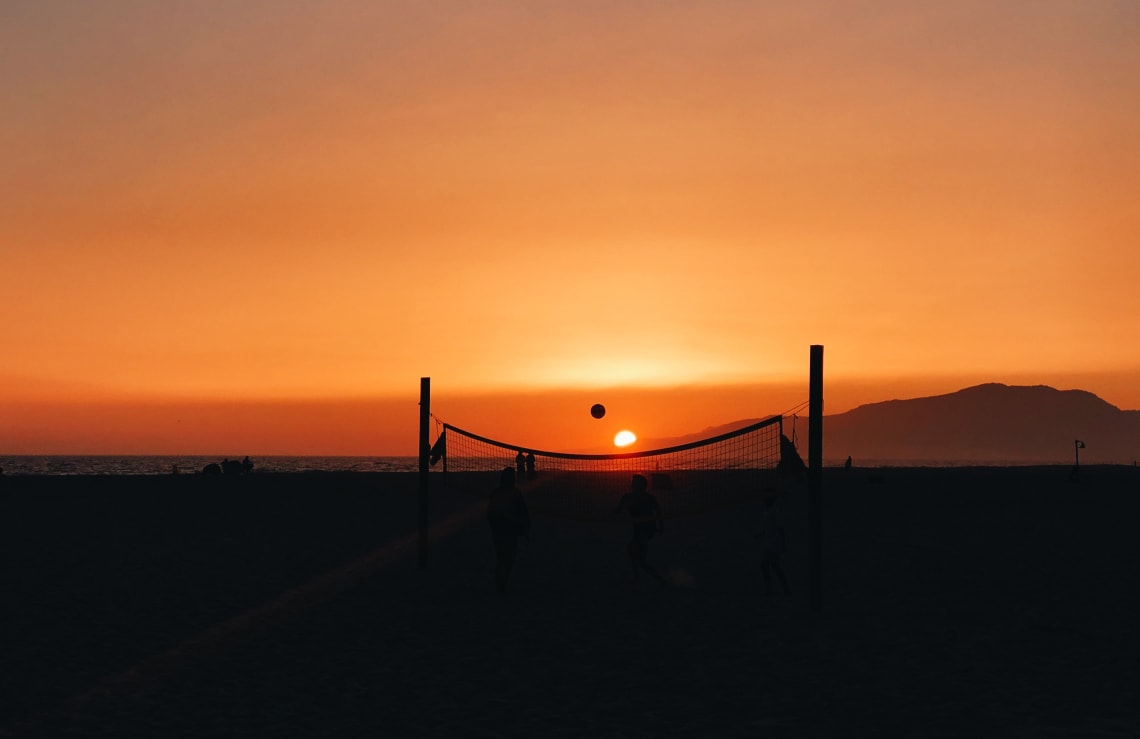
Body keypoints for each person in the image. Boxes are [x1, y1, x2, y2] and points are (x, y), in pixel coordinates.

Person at [614, 474, 667, 587]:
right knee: (635, 553)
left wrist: (661, 526)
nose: (631, 484)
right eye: (632, 483)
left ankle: (660, 580)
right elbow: (618, 509)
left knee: (637, 555)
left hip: (647, 530)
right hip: (641, 530)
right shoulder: (629, 497)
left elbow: (659, 512)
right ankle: (639, 577)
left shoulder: (646, 498)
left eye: (634, 483)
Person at [487, 466, 531, 596]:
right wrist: (526, 529)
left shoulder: (496, 493)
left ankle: (501, 586)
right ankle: (502, 586)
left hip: (501, 532)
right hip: (508, 532)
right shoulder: (514, 493)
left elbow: (490, 514)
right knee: (507, 559)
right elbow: (524, 513)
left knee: (502, 559)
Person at [757, 493, 792, 596]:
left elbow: (780, 529)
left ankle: (777, 590)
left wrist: (782, 543)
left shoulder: (774, 512)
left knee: (770, 566)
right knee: (771, 567)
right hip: (768, 543)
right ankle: (781, 589)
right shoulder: (767, 512)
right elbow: (767, 527)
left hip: (773, 544)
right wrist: (760, 534)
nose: (763, 501)